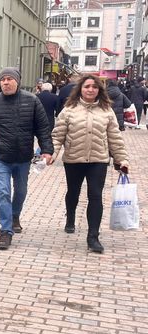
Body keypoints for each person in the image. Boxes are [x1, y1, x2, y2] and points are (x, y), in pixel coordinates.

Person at [0, 67, 53, 250]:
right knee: (3, 192)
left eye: (9, 79)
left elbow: (43, 128)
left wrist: (47, 149)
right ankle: (6, 231)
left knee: (21, 191)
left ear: (17, 81)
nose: (5, 82)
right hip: (0, 156)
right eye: (3, 79)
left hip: (23, 157)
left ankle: (15, 215)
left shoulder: (32, 101)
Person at [50, 74, 130, 253]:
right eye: (87, 86)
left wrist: (121, 159)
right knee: (73, 192)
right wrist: (52, 153)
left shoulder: (106, 110)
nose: (90, 90)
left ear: (99, 90)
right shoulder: (69, 109)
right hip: (73, 159)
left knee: (95, 195)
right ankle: (70, 217)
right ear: (80, 89)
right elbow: (58, 135)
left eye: (94, 87)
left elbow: (115, 138)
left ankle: (93, 236)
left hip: (98, 160)